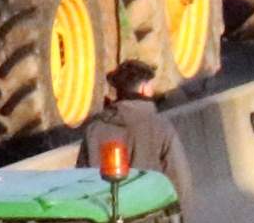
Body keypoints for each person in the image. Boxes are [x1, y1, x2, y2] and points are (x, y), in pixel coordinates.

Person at [78, 61, 184, 197]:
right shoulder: (160, 128)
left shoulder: (94, 130)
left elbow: (81, 181)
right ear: (144, 89)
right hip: (149, 213)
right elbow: (179, 181)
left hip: (105, 212)